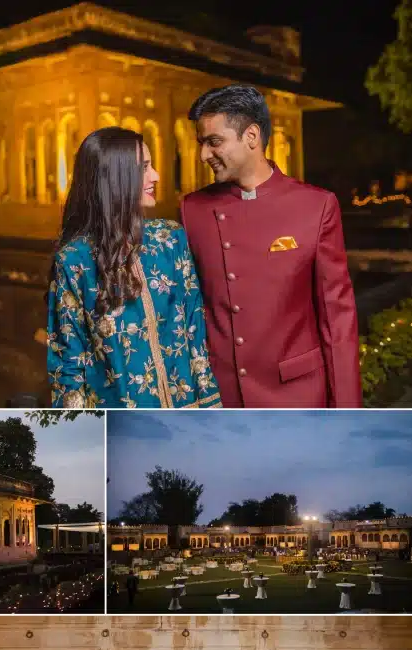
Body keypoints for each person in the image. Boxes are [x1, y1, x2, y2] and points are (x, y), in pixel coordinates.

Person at [181, 85, 362, 409]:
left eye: (214, 141)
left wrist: (348, 415)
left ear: (251, 136)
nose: (203, 155)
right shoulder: (192, 210)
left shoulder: (316, 206)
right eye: (201, 143)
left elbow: (337, 321)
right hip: (221, 404)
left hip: (298, 399)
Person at [47, 126, 222, 409]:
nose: (156, 176)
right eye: (144, 168)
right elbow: (68, 361)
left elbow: (194, 331)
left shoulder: (170, 239)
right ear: (115, 177)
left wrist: (210, 407)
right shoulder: (75, 261)